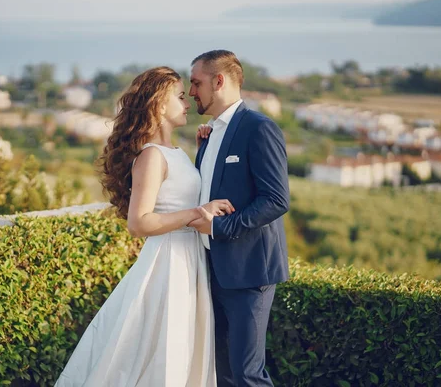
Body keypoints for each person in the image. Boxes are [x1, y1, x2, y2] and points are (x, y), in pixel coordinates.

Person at [54, 66, 232, 387]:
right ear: (159, 105)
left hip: (190, 258)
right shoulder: (151, 157)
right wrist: (196, 213)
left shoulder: (176, 152)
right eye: (180, 97)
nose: (188, 102)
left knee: (187, 348)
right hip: (169, 262)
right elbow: (139, 222)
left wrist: (205, 146)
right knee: (165, 350)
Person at [189, 50, 290, 387]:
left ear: (219, 81)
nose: (191, 92)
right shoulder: (210, 134)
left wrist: (220, 227)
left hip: (249, 274)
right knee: (224, 374)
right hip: (212, 270)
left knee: (248, 374)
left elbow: (275, 199)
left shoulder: (259, 128)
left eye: (196, 82)